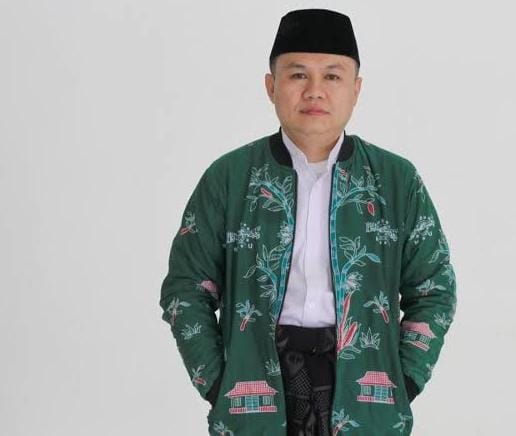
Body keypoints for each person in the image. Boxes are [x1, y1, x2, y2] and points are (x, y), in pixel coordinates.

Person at [159, 8, 457, 436]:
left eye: (332, 76)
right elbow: (186, 286)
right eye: (298, 75)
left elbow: (434, 289)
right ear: (271, 86)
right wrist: (217, 383)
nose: (315, 91)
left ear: (356, 90)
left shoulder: (397, 181)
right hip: (257, 376)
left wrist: (404, 380)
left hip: (363, 383)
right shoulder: (229, 178)